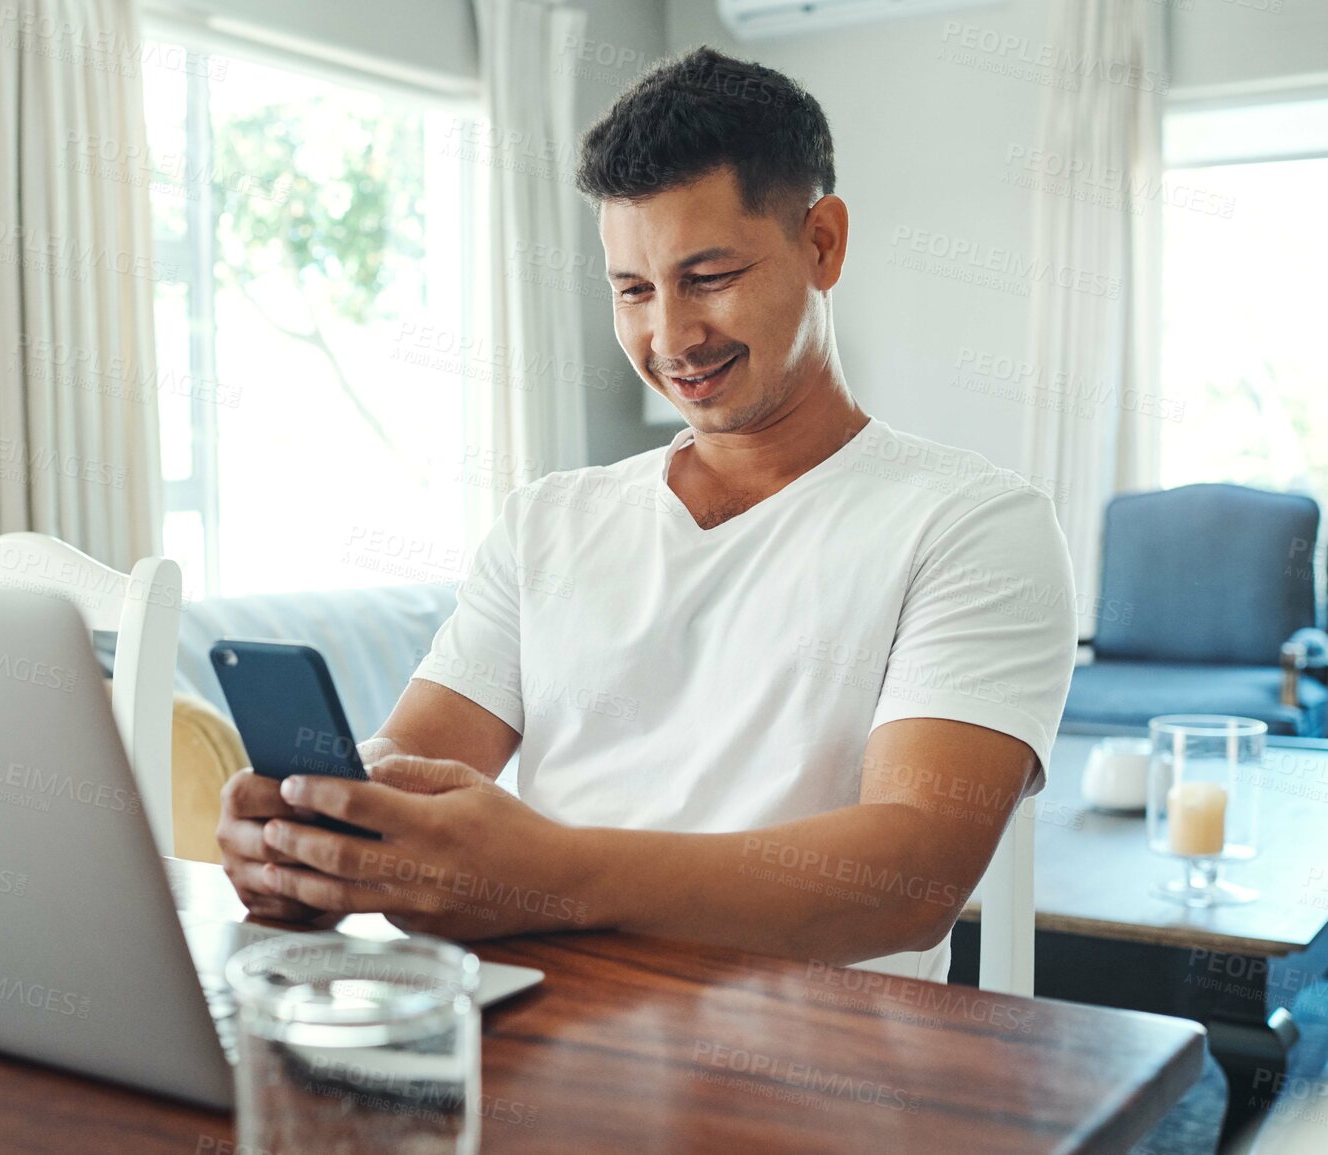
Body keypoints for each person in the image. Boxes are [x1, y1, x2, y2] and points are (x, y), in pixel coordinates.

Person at [215, 47, 1077, 981]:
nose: (670, 337)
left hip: (820, 1078)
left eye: (708, 277)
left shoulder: (976, 527)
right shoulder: (548, 522)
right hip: (546, 1036)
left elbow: (909, 880)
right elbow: (402, 768)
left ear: (822, 242)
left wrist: (546, 873)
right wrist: (314, 838)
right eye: (633, 290)